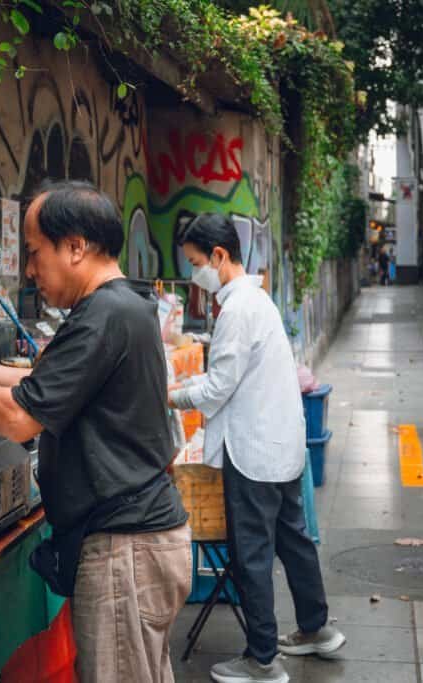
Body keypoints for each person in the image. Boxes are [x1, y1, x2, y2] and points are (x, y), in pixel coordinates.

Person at [0, 180, 191, 682]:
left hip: (126, 545)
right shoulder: (120, 306)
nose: (30, 270)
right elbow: (40, 382)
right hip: (137, 538)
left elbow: (20, 417)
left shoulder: (104, 313)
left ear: (76, 247)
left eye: (35, 252)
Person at [168, 214, 345, 683]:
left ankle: (262, 658)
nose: (193, 275)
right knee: (294, 541)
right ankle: (316, 628)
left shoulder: (238, 309)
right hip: (281, 447)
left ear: (220, 256)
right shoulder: (258, 299)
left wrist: (172, 393)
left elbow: (218, 388)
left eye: (195, 263)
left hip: (254, 454)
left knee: (251, 554)